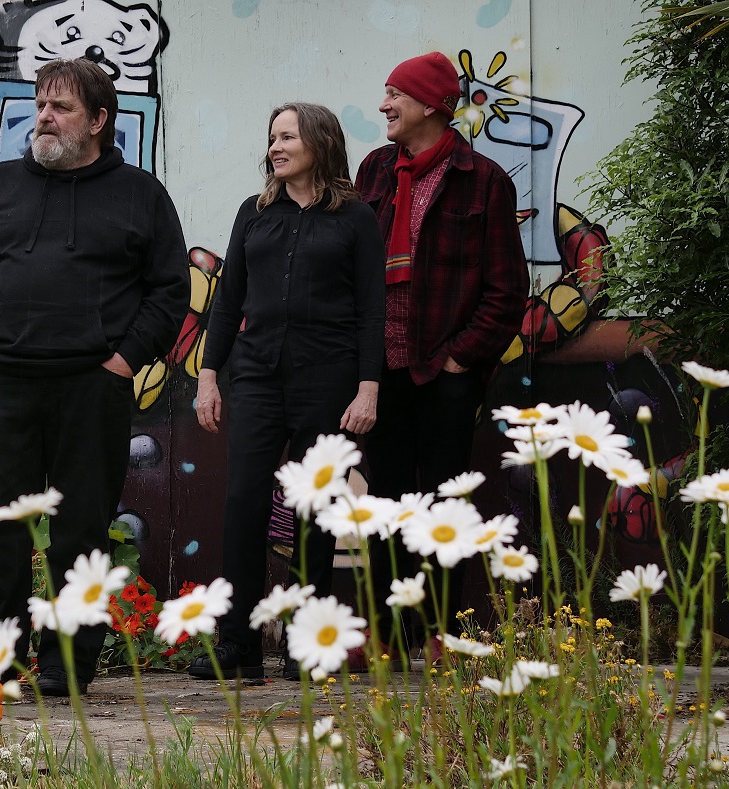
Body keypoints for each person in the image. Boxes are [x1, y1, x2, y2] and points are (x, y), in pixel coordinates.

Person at [0, 59, 189, 695]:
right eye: (40, 104)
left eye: (62, 108)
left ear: (99, 121)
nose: (44, 117)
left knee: (81, 528)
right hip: (4, 384)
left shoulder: (140, 194)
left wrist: (124, 359)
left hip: (91, 386)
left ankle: (68, 663)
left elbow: (168, 289)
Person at [188, 103, 385, 681]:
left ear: (320, 143)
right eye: (271, 136)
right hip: (255, 376)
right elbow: (227, 302)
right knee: (243, 502)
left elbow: (372, 309)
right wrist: (207, 376)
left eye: (287, 136)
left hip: (329, 380)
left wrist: (368, 389)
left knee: (317, 511)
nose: (275, 146)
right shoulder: (254, 213)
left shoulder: (356, 219)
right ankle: (239, 645)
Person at [355, 53, 528, 655]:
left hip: (446, 372)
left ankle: (440, 634)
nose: (383, 107)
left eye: (393, 95)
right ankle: (390, 635)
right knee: (386, 503)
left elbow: (507, 289)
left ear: (429, 104)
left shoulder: (484, 180)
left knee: (444, 506)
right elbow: (355, 266)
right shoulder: (375, 171)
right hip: (381, 370)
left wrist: (461, 359)